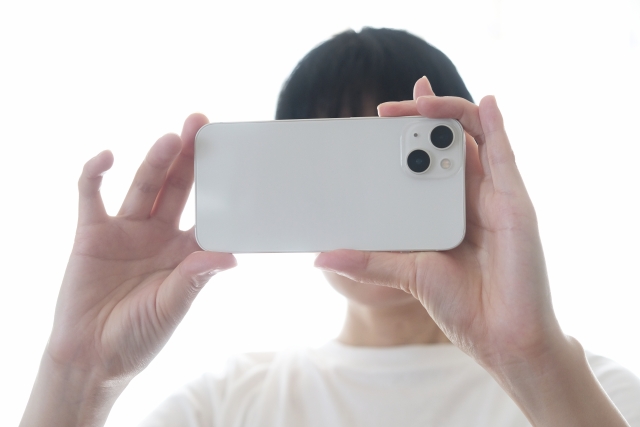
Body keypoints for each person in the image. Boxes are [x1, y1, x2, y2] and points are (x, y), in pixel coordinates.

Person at [19, 28, 640, 427]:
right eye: (333, 168)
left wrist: (530, 357)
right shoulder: (224, 403)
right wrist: (77, 371)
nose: (364, 203)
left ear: (467, 163)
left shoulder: (588, 392)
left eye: (386, 158)